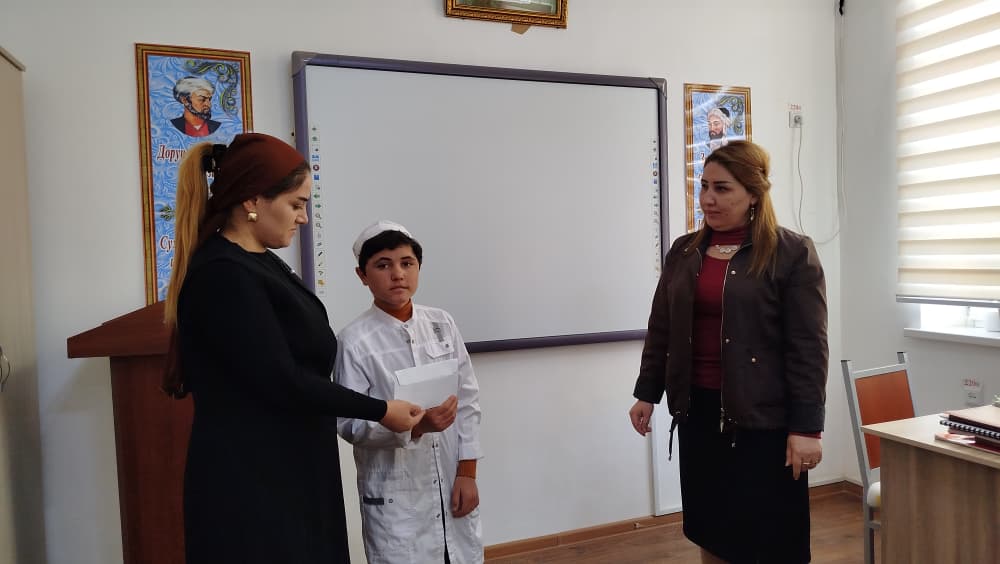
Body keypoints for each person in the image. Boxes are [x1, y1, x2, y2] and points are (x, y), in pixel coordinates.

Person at [162, 133, 425, 564]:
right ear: (253, 200)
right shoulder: (224, 274)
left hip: (291, 465)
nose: (304, 217)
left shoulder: (259, 262)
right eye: (296, 204)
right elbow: (282, 379)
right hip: (255, 479)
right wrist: (381, 410)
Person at [628, 140, 828, 564]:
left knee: (768, 536)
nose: (708, 199)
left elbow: (809, 348)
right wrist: (647, 392)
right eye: (704, 186)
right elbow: (661, 327)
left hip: (763, 421)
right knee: (713, 528)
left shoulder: (791, 253)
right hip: (698, 413)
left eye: (722, 188)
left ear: (753, 194)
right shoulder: (685, 252)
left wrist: (808, 428)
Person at [335, 220, 484, 564]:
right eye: (383, 265)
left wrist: (467, 472)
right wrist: (416, 428)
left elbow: (468, 402)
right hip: (395, 494)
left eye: (407, 263)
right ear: (362, 275)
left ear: (419, 267)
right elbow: (350, 424)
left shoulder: (442, 323)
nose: (398, 274)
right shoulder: (354, 341)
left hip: (451, 478)